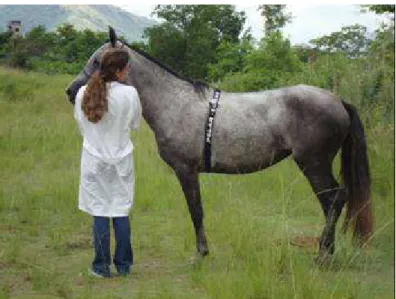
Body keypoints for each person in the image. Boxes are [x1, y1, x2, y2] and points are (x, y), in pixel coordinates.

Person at [74, 48, 141, 278]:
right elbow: (134, 125)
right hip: (122, 160)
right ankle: (123, 266)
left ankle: (100, 267)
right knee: (120, 210)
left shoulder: (83, 92)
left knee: (100, 212)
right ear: (120, 71)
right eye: (127, 68)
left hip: (93, 160)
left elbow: (82, 126)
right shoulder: (130, 94)